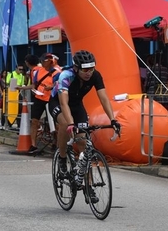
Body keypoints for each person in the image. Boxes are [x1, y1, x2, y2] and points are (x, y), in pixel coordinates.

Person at [50, 50, 121, 200]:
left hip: (77, 105)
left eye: (91, 69)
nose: (89, 73)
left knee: (84, 145)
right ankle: (62, 157)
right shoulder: (66, 76)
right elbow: (64, 103)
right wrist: (71, 123)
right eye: (85, 70)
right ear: (76, 68)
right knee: (65, 123)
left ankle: (88, 186)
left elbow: (104, 98)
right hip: (59, 103)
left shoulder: (95, 75)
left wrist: (113, 120)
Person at [27, 53, 60, 154]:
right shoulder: (38, 71)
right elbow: (34, 84)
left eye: (43, 61)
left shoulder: (57, 72)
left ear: (50, 61)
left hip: (52, 99)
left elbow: (59, 84)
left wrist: (52, 87)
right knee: (34, 121)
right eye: (41, 61)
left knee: (55, 123)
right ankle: (33, 145)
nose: (42, 63)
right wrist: (32, 89)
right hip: (39, 98)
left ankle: (56, 144)